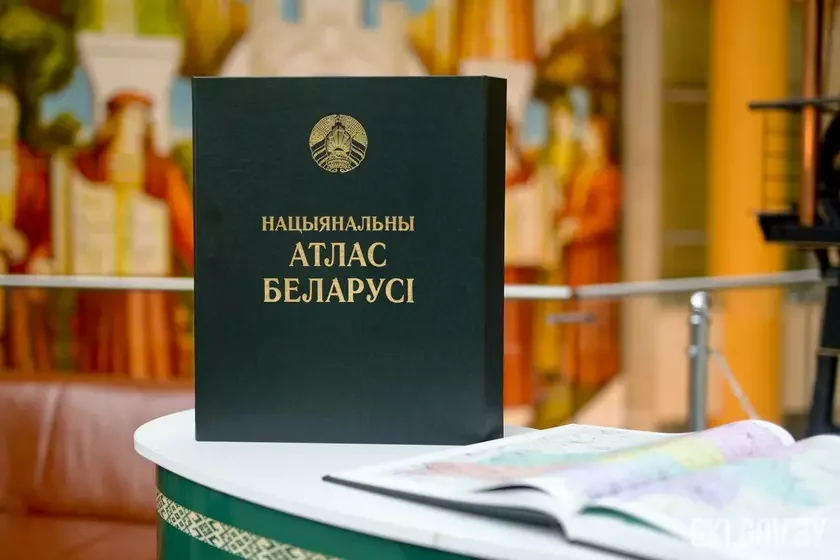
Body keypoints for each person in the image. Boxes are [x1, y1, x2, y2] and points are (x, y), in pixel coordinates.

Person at [73, 91, 194, 379]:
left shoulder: (161, 170)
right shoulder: (88, 167)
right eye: (125, 118)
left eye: (138, 119)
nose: (131, 126)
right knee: (101, 348)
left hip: (146, 284)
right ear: (112, 122)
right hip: (101, 279)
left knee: (146, 347)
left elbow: (185, 227)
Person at [556, 115, 621, 393]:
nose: (587, 142)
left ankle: (596, 372)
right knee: (576, 308)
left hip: (596, 256)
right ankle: (577, 370)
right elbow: (568, 206)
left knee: (594, 312)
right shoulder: (578, 172)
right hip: (577, 255)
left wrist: (578, 229)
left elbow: (606, 218)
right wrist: (563, 221)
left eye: (592, 136)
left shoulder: (608, 175)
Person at [0, 87, 54, 372]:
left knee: (24, 354)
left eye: (7, 114)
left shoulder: (33, 167)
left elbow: (48, 224)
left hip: (21, 276)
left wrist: (40, 256)